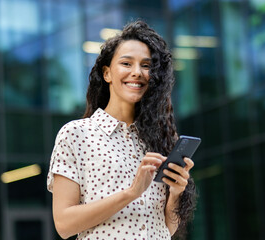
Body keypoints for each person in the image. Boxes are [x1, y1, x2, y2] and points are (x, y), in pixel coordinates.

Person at [47, 20, 196, 240]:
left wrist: (176, 192)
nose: (137, 72)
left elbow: (165, 229)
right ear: (107, 73)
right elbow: (64, 224)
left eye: (146, 66)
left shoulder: (160, 139)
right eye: (126, 63)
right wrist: (131, 193)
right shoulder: (77, 134)